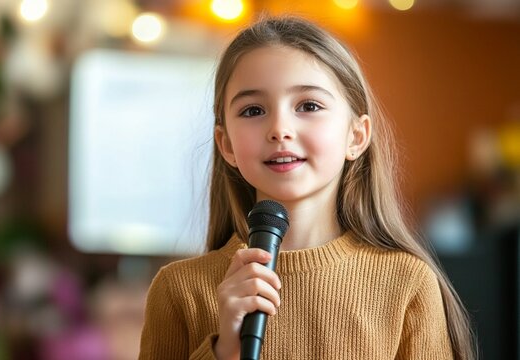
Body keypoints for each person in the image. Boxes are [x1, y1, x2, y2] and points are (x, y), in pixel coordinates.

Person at [139, 16, 475, 360]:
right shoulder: (177, 291)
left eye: (309, 106)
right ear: (226, 145)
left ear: (355, 136)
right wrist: (225, 351)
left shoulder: (407, 283)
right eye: (253, 110)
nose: (280, 129)